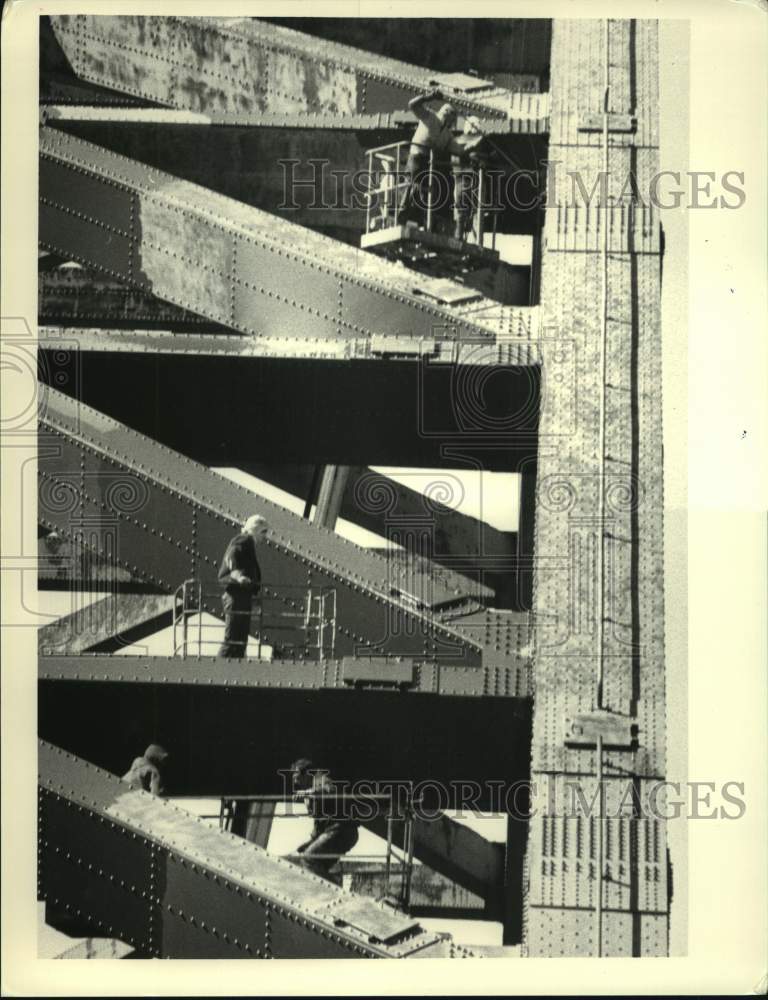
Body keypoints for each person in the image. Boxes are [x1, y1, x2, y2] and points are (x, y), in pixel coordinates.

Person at [397, 89, 484, 231]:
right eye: (451, 119)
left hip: (429, 164)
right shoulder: (429, 118)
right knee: (411, 187)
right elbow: (412, 105)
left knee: (429, 194)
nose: (451, 123)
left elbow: (460, 151)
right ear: (446, 115)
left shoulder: (447, 135)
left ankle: (425, 223)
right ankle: (401, 216)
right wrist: (428, 97)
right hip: (417, 159)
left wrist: (477, 142)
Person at [290, 758, 359, 885]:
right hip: (337, 831)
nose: (296, 781)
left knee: (309, 859)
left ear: (307, 774)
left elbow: (330, 790)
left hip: (341, 830)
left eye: (297, 776)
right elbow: (319, 823)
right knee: (316, 865)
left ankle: (337, 890)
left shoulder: (320, 779)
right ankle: (334, 885)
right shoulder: (311, 791)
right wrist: (310, 842)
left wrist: (309, 792)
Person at [217, 514, 268, 658]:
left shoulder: (248, 544)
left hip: (241, 597)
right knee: (233, 639)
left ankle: (232, 669)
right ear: (255, 530)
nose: (265, 537)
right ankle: (218, 670)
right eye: (263, 532)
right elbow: (231, 555)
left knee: (238, 641)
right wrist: (238, 576)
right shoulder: (244, 539)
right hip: (236, 596)